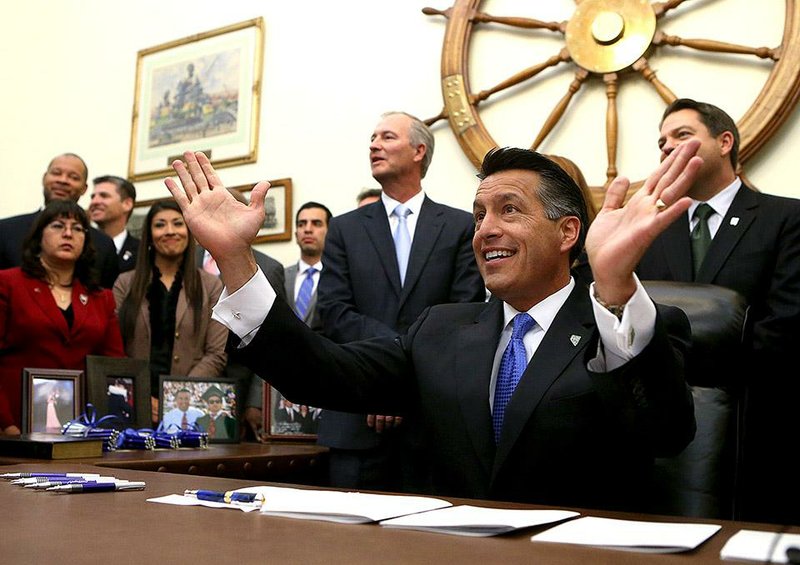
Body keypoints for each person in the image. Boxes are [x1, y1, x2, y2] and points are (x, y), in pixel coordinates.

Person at [165, 142, 700, 511]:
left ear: (568, 233)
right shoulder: (440, 329)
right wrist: (237, 258)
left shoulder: (625, 324)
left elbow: (664, 434)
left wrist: (614, 287)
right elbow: (319, 372)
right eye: (478, 214)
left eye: (509, 210)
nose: (486, 229)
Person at [635, 98, 800, 524]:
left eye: (682, 135)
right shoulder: (649, 229)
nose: (667, 148)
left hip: (758, 424)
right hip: (659, 424)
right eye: (661, 143)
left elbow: (786, 323)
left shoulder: (785, 217)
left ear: (725, 142)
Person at [316, 111, 485, 493]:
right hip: (356, 416)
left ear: (418, 151)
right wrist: (385, 373)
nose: (374, 144)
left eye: (387, 137)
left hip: (429, 421)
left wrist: (401, 384)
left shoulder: (460, 227)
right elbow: (335, 311)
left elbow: (462, 313)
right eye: (372, 138)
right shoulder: (344, 228)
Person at [0, 199, 125, 433]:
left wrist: (111, 426)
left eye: (78, 229)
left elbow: (113, 366)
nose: (68, 233)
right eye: (58, 226)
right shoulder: (7, 284)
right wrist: (6, 423)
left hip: (82, 424)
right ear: (39, 237)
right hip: (13, 422)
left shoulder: (101, 298)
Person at [113, 200, 228, 425]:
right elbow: (113, 349)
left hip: (190, 408)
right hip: (133, 404)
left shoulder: (211, 285)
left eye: (178, 224)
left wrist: (177, 398)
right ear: (149, 234)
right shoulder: (125, 283)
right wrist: (139, 394)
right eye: (160, 225)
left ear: (189, 231)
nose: (170, 231)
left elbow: (216, 353)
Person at [196, 187, 287, 442]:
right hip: (188, 381)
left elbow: (273, 339)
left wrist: (258, 401)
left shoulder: (269, 268)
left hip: (242, 385)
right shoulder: (187, 260)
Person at [0, 153, 120, 288]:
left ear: (84, 189)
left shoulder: (102, 244)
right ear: (44, 178)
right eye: (56, 173)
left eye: (73, 177)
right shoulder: (5, 231)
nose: (63, 180)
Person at [284, 202, 331, 327]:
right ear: (296, 234)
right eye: (301, 224)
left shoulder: (338, 277)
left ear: (330, 232)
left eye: (316, 223)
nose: (308, 229)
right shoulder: (281, 275)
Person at [89, 175, 139, 273]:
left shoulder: (143, 252)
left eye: (104, 196)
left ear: (127, 204)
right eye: (93, 197)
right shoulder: (80, 244)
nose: (94, 202)